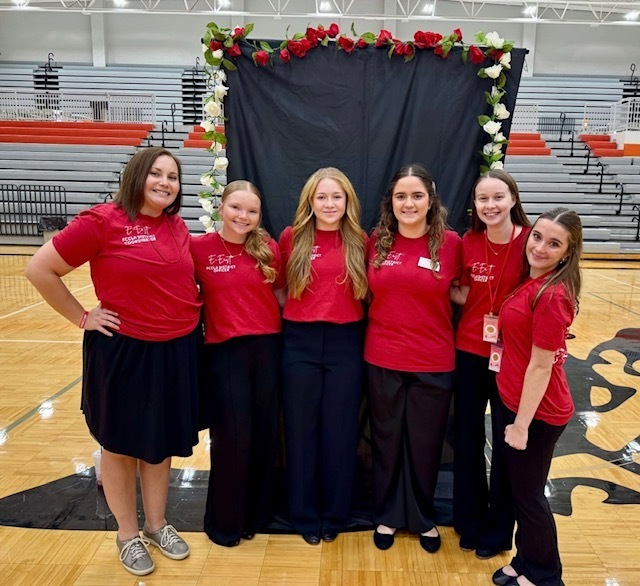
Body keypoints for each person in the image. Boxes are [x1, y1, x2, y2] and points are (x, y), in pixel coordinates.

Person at [24, 147, 201, 576]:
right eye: (156, 173)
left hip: (174, 350)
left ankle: (158, 524)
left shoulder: (176, 226)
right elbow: (39, 269)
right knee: (120, 447)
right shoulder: (102, 221)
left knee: (158, 446)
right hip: (125, 352)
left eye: (172, 177)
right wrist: (82, 316)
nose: (165, 182)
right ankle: (127, 535)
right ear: (137, 176)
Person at [365, 164, 461, 553]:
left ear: (430, 200)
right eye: (401, 196)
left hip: (434, 360)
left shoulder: (451, 243)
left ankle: (423, 517)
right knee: (386, 441)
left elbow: (465, 293)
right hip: (382, 356)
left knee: (425, 444)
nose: (409, 203)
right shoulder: (376, 242)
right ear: (391, 201)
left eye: (417, 195)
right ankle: (388, 514)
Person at [491, 207, 582, 586]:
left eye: (554, 243)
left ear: (567, 253)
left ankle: (545, 574)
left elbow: (541, 366)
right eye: (538, 237)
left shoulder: (551, 295)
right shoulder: (532, 282)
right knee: (518, 491)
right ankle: (525, 559)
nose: (541, 247)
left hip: (538, 414)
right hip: (516, 403)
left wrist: (521, 425)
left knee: (529, 496)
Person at [190, 180, 283, 547]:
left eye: (252, 211)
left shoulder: (269, 249)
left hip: (267, 349)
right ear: (221, 207)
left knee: (263, 435)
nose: (243, 216)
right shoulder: (199, 249)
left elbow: (281, 297)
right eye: (236, 208)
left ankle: (256, 515)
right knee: (232, 438)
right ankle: (225, 521)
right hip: (224, 352)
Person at [279, 167, 367, 544]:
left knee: (341, 431)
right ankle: (303, 513)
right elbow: (280, 290)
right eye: (322, 197)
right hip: (300, 341)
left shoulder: (360, 239)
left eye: (336, 197)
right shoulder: (292, 237)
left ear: (347, 201)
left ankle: (335, 514)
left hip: (347, 342)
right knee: (300, 431)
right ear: (310, 202)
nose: (329, 204)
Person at [451, 170, 531, 559]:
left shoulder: (531, 243)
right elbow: (464, 293)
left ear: (513, 199)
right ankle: (468, 521)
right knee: (467, 440)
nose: (491, 206)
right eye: (483, 199)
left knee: (504, 443)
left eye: (498, 197)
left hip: (511, 357)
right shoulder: (468, 241)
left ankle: (498, 531)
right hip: (469, 351)